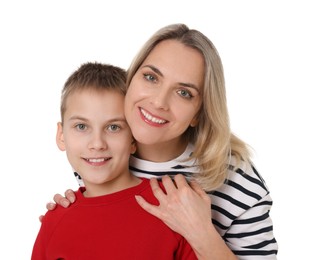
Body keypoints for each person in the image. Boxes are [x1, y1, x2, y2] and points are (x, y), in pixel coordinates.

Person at [45, 24, 278, 259]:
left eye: (184, 92)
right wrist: (66, 221)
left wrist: (201, 232)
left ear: (199, 112)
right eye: (151, 77)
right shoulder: (106, 150)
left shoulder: (240, 185)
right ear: (132, 78)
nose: (159, 102)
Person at [32, 62, 198, 259]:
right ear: (61, 136)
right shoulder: (55, 220)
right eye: (81, 127)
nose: (97, 144)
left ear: (133, 139)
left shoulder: (171, 206)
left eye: (113, 128)